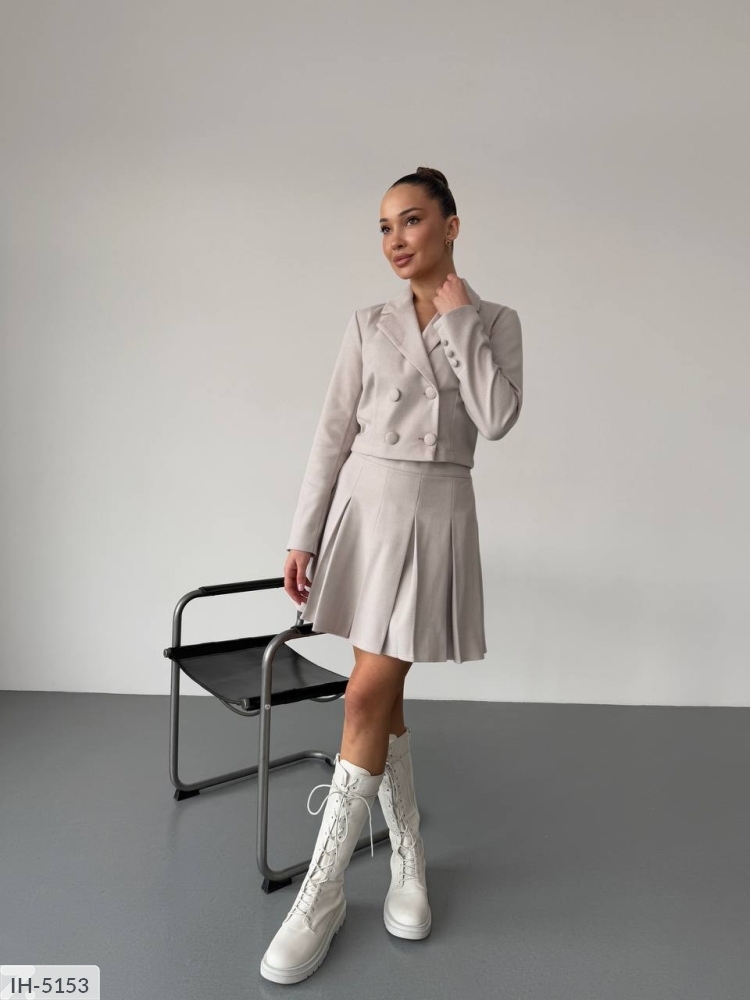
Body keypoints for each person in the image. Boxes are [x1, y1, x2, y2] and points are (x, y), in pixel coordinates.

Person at [260, 166, 524, 984]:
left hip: (435, 517)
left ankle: (325, 889)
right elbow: (331, 432)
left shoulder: (495, 321)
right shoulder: (367, 323)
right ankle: (406, 858)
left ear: (450, 225)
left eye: (411, 220)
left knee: (362, 697)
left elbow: (498, 417)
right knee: (383, 700)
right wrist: (303, 534)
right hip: (366, 514)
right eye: (383, 226)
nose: (395, 240)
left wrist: (460, 319)